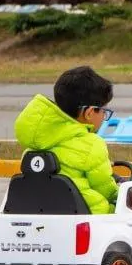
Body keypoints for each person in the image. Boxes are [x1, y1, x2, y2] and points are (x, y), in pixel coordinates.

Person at [14, 65, 119, 215]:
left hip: (41, 213)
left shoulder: (34, 146)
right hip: (89, 216)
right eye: (104, 111)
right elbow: (106, 190)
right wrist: (120, 191)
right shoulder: (92, 145)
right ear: (89, 113)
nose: (104, 116)